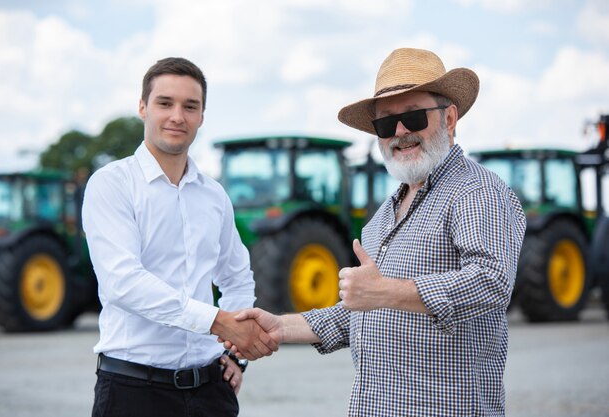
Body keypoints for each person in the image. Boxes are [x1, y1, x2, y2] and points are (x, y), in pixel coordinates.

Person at [224, 48, 527, 416]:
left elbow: (492, 281)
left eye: (413, 117)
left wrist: (385, 291)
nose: (400, 132)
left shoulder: (475, 191)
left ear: (449, 119)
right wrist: (281, 326)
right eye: (386, 124)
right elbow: (364, 312)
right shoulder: (383, 215)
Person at [82, 57, 277, 417]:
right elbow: (123, 282)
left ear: (202, 116)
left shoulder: (214, 195)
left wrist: (234, 354)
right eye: (165, 103)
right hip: (133, 392)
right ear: (142, 107)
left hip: (210, 391)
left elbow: (236, 276)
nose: (177, 116)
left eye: (191, 106)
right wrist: (218, 322)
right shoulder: (112, 184)